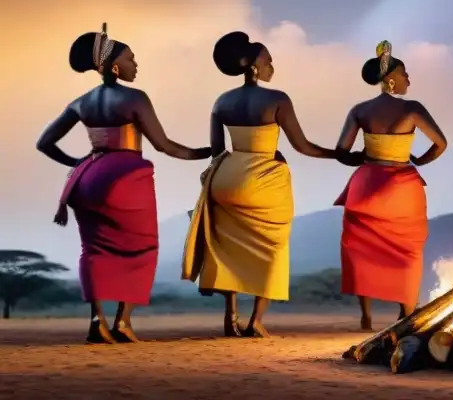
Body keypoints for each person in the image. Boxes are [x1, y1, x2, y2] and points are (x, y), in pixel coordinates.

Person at [35, 23, 210, 344]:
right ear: (114, 66)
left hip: (86, 180)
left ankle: (95, 320)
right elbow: (165, 146)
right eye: (130, 58)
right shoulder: (135, 97)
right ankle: (123, 322)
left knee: (94, 250)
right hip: (127, 177)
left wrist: (79, 164)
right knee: (141, 249)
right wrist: (207, 153)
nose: (135, 64)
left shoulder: (81, 102)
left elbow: (44, 143)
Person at [181, 31, 338, 338]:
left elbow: (216, 151)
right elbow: (303, 146)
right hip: (264, 178)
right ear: (252, 65)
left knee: (227, 248)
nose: (271, 67)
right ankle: (256, 320)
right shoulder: (277, 99)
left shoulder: (222, 101)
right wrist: (339, 154)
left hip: (226, 177)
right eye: (268, 60)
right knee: (273, 247)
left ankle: (231, 316)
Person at [335, 40, 448, 331]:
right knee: (407, 249)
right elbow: (441, 143)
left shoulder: (360, 110)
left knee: (362, 249)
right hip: (402, 187)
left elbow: (342, 153)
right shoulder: (412, 108)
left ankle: (366, 316)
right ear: (391, 79)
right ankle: (405, 312)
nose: (408, 78)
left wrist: (364, 157)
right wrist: (420, 161)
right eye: (405, 73)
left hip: (367, 183)